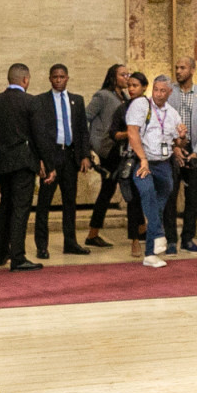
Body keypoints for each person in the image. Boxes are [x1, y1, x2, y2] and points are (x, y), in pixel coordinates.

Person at [0, 63, 39, 271]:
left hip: (1, 164)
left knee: (5, 206)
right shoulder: (31, 102)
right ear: (25, 79)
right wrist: (45, 163)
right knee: (20, 209)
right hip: (24, 163)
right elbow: (38, 136)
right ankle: (18, 257)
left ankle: (1, 253)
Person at [30, 64, 90, 259]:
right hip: (51, 156)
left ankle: (70, 242)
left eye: (62, 76)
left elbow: (82, 130)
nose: (58, 80)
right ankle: (42, 246)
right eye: (55, 77)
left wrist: (85, 155)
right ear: (50, 78)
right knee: (44, 203)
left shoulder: (77, 100)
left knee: (70, 202)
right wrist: (41, 159)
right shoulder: (41, 101)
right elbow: (37, 133)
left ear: (67, 78)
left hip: (70, 156)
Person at [126, 74, 186, 267]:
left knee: (159, 205)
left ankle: (150, 254)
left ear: (170, 92)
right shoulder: (141, 105)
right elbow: (132, 132)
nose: (158, 94)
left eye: (163, 91)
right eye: (156, 90)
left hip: (163, 164)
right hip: (141, 161)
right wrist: (143, 159)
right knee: (148, 193)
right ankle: (159, 234)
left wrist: (182, 136)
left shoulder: (173, 114)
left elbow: (179, 143)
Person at [164, 57, 197, 255]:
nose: (178, 71)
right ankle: (170, 240)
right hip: (174, 149)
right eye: (177, 67)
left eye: (183, 68)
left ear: (192, 70)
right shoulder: (169, 92)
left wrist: (196, 152)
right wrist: (174, 147)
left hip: (194, 148)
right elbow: (164, 122)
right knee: (170, 196)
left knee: (192, 197)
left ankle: (188, 239)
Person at [84, 65, 129, 249]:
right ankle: (92, 234)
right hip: (107, 149)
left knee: (122, 188)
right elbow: (85, 117)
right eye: (123, 74)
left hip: (121, 148)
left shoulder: (125, 97)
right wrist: (89, 146)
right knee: (108, 189)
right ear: (113, 77)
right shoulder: (102, 96)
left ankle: (140, 228)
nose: (127, 77)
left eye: (128, 74)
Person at [109, 74, 150, 255]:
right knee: (133, 199)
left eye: (135, 85)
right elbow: (113, 133)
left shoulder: (151, 107)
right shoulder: (123, 108)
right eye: (130, 85)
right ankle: (135, 239)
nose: (131, 89)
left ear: (144, 87)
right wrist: (131, 132)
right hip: (130, 157)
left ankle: (148, 230)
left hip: (150, 156)